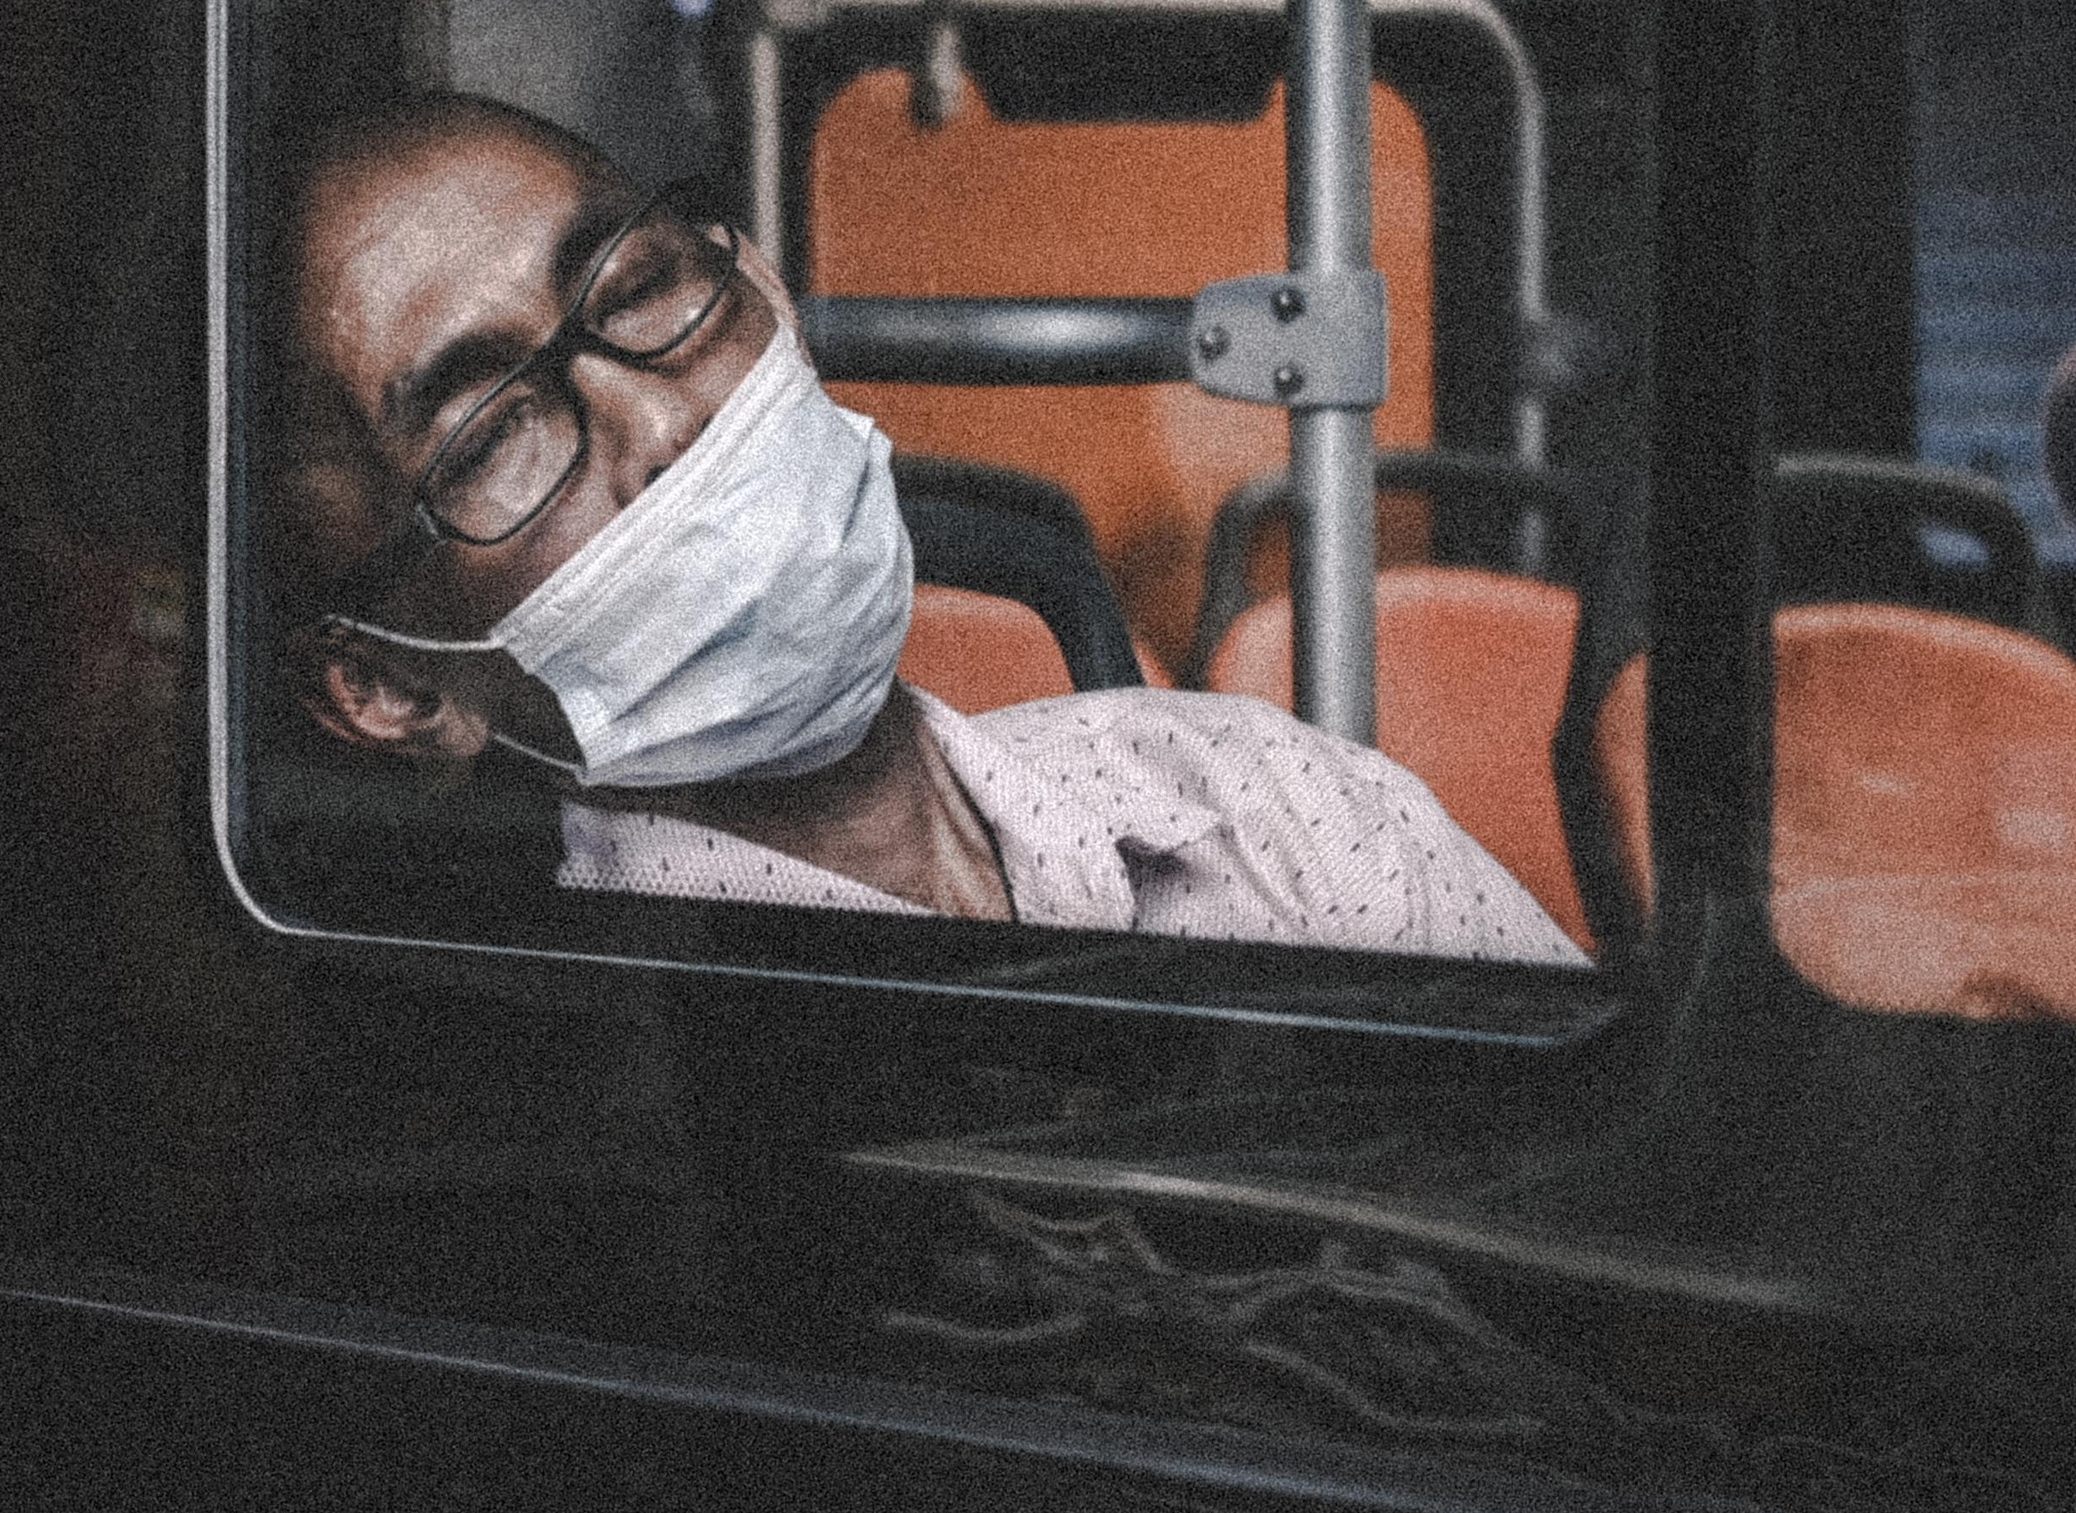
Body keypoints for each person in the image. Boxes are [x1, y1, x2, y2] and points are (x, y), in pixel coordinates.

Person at [270, 93, 1585, 966]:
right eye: (493, 438)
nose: (657, 420)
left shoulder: (1265, 804)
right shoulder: (605, 1068)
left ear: (766, 285)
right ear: (387, 685)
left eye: (643, 287)